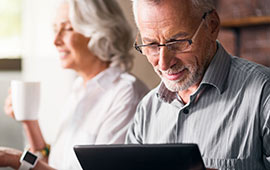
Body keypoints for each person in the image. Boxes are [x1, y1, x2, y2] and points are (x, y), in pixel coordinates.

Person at [1, 0, 148, 169]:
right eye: (56, 30)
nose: (55, 41)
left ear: (100, 31)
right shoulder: (79, 89)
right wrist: (29, 122)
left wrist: (16, 160)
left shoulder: (126, 96)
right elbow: (54, 166)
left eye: (68, 28)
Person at [125, 0, 270, 169]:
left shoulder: (264, 94)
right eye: (151, 45)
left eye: (177, 43)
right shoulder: (147, 109)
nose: (163, 64)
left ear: (212, 26)